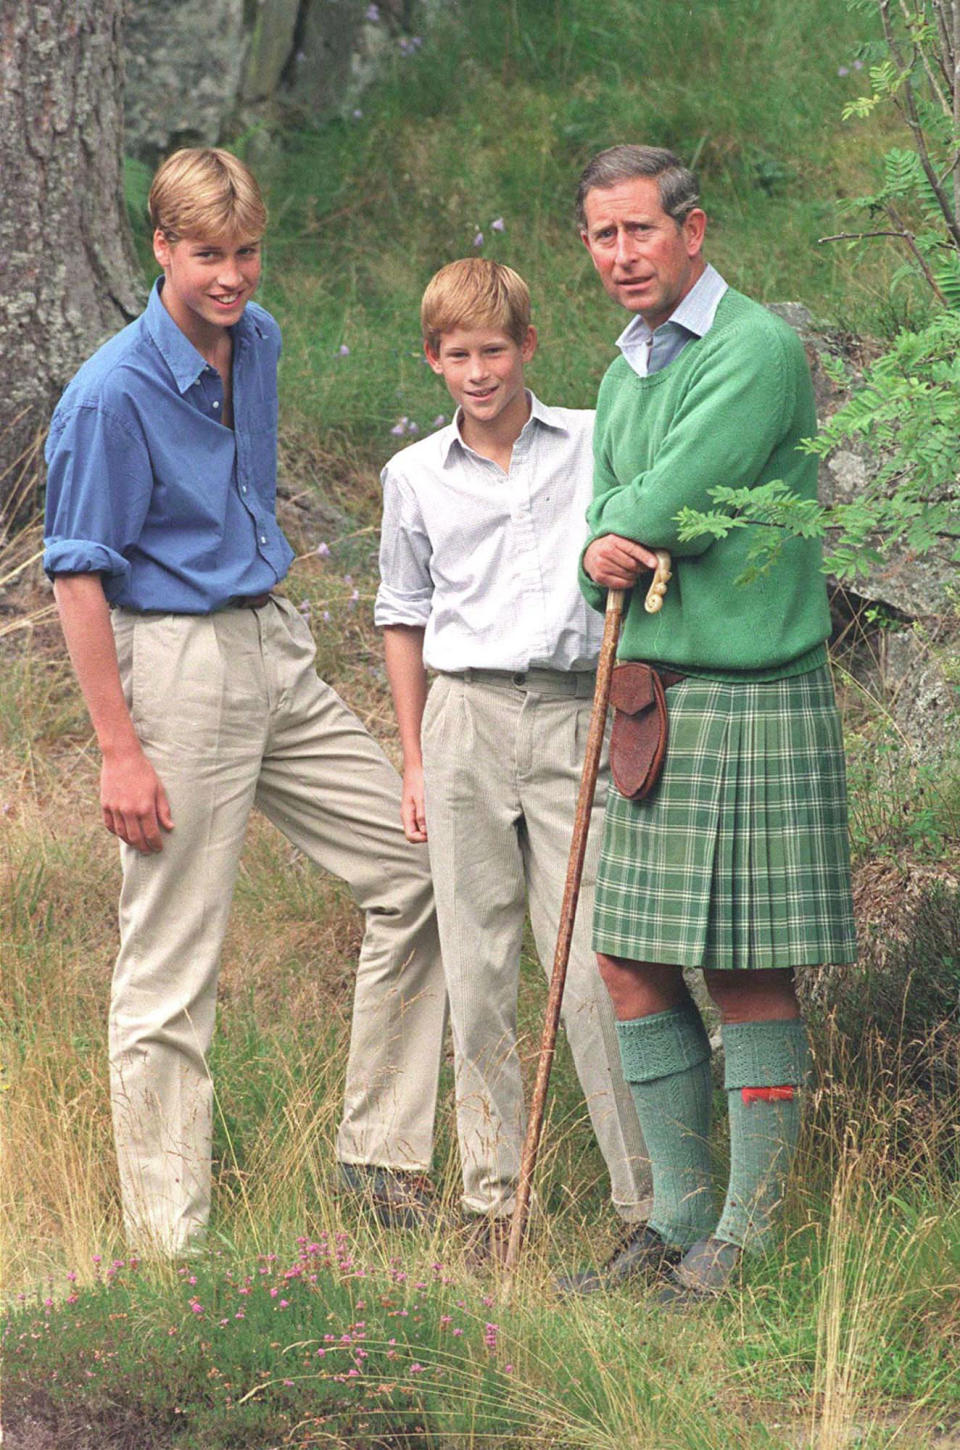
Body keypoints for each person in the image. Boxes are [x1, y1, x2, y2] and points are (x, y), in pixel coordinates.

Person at [43, 147, 447, 1257]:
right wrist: (118, 751)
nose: (231, 276)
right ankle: (169, 1253)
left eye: (247, 251)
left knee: (422, 872)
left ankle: (379, 1160)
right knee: (172, 964)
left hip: (274, 647)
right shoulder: (110, 393)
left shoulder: (256, 340)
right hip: (174, 668)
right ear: (161, 248)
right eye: (208, 254)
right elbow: (77, 576)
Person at [569, 145, 856, 1303]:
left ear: (695, 229)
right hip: (657, 699)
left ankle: (746, 1232)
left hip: (748, 695)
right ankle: (677, 1219)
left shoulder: (756, 350)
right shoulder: (625, 364)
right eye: (603, 237)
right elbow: (600, 522)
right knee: (627, 957)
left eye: (642, 230)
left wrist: (612, 532)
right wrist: (602, 542)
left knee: (745, 969)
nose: (624, 255)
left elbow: (665, 502)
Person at [375, 257, 652, 1266]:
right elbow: (403, 617)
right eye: (457, 354)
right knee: (480, 968)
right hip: (464, 719)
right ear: (433, 360)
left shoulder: (590, 441)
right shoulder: (414, 476)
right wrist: (413, 757)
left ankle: (648, 1203)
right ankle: (493, 1200)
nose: (479, 371)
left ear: (528, 347)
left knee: (593, 969)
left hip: (576, 713)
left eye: (495, 349)